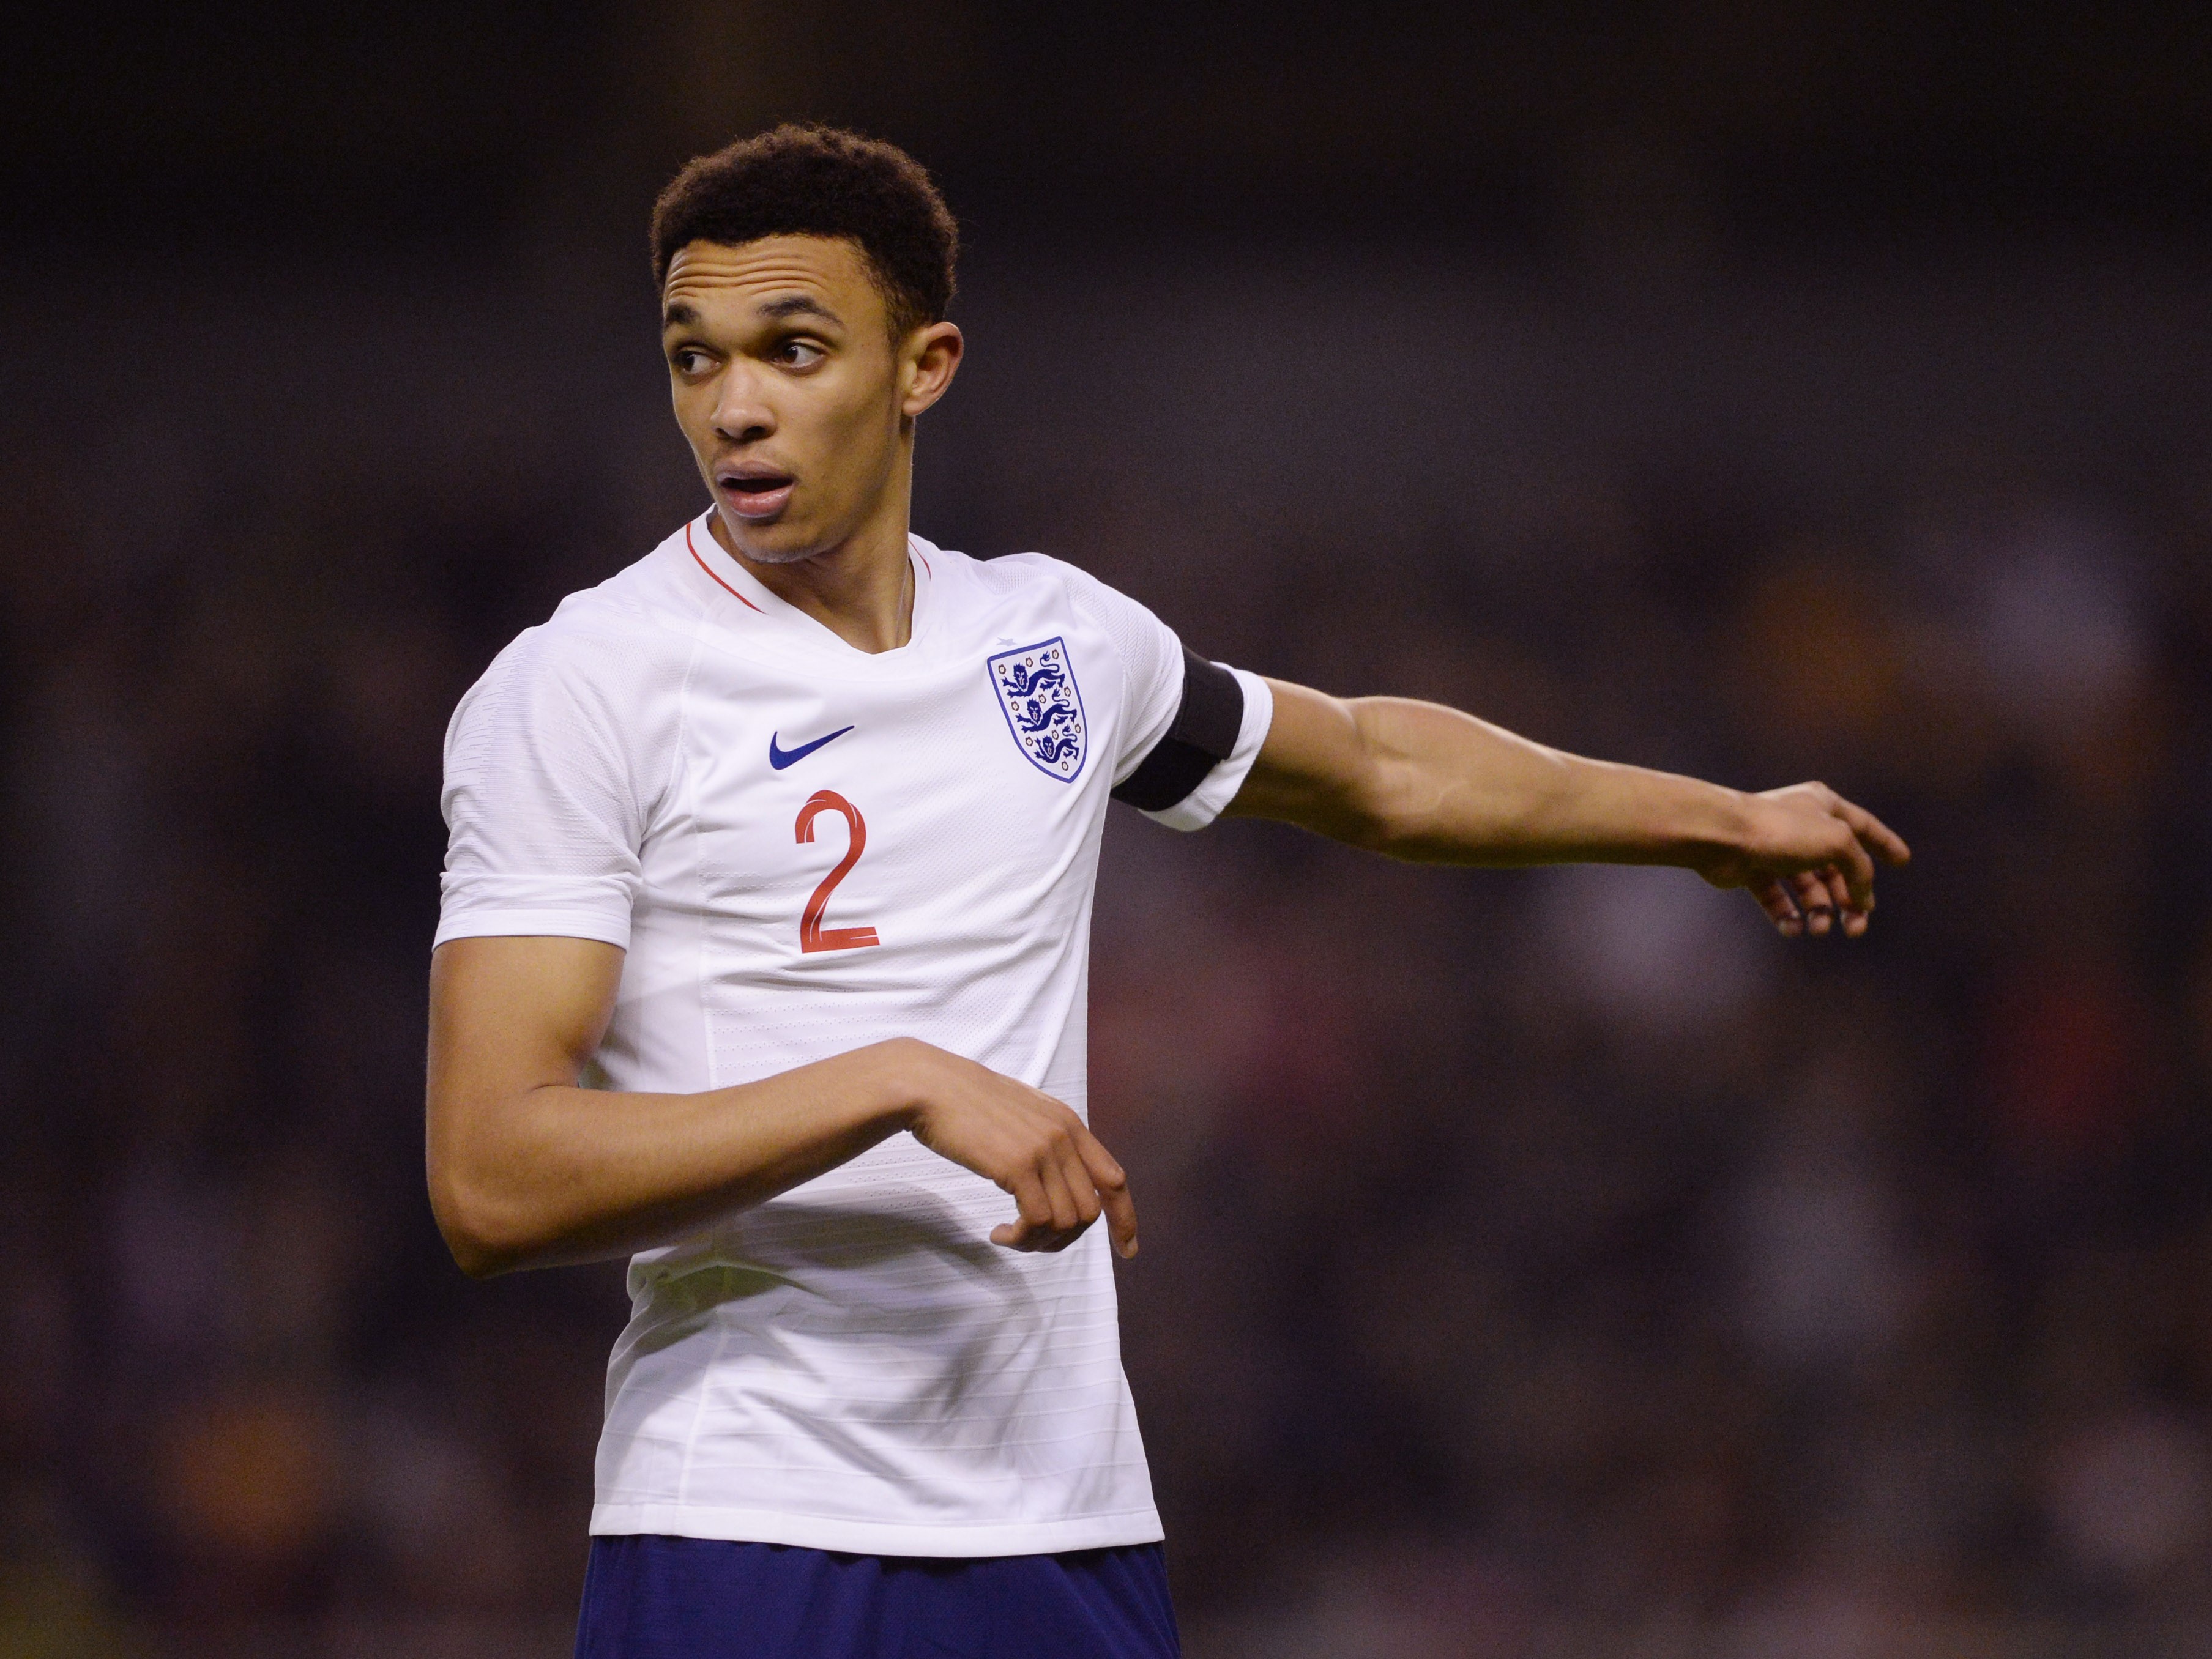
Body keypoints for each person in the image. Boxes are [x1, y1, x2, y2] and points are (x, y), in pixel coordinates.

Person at [425, 124, 1909, 1659]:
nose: (733, 407)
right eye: (693, 358)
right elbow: (491, 1176)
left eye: (792, 350)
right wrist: (892, 1083)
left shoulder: (1049, 641)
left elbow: (1376, 771)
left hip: (1061, 1533)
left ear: (923, 364)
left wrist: (1711, 821)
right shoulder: (583, 685)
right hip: (749, 1531)